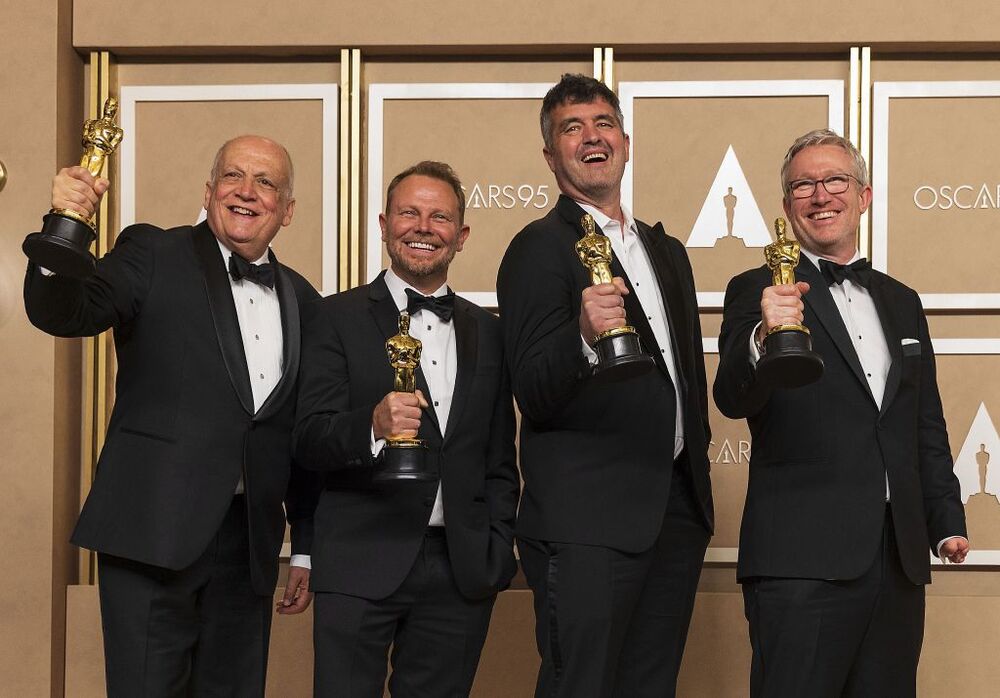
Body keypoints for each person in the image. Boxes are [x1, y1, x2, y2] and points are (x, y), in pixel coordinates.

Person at [23, 135, 319, 697]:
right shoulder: (152, 253)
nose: (247, 191)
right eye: (233, 176)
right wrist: (66, 224)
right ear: (209, 192)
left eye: (266, 182)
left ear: (288, 209)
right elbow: (63, 310)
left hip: (247, 547)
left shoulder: (304, 299)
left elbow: (299, 435)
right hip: (151, 533)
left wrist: (303, 543)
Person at [714, 128, 969, 697]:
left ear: (864, 196)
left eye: (834, 180)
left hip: (896, 561)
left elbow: (922, 419)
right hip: (799, 563)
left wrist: (945, 516)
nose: (820, 195)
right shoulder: (756, 288)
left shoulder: (902, 301)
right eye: (803, 185)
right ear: (785, 206)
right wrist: (764, 332)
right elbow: (731, 396)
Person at [496, 73, 714, 698]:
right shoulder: (537, 249)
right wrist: (583, 338)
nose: (591, 138)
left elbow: (686, 381)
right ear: (550, 155)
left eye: (603, 124)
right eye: (572, 128)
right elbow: (533, 390)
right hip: (586, 523)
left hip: (674, 513)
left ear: (625, 140)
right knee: (580, 685)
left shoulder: (666, 251)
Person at [294, 161, 519, 695]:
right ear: (383, 223)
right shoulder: (333, 317)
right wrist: (370, 426)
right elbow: (307, 438)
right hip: (357, 561)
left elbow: (498, 457)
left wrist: (495, 545)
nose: (423, 227)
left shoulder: (489, 333)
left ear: (461, 236)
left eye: (439, 216)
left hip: (460, 570)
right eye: (409, 213)